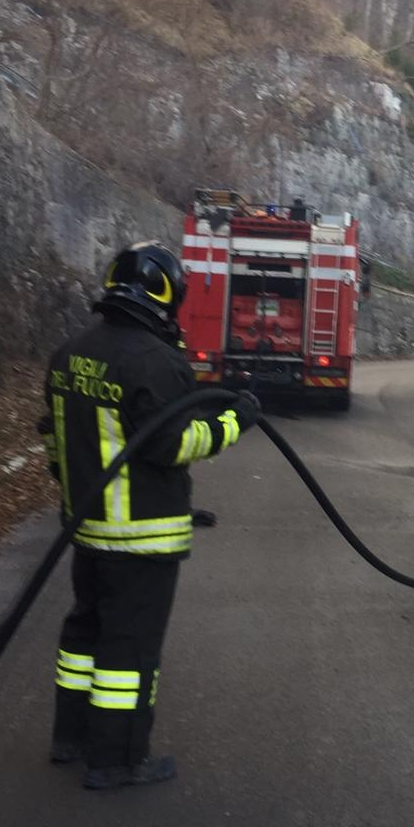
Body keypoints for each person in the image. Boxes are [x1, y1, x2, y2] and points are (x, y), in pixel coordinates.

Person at [38, 242, 262, 790]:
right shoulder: (156, 362)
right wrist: (236, 422)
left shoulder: (70, 352)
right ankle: (117, 759)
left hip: (87, 529)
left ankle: (70, 737)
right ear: (166, 296)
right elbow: (174, 443)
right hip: (142, 540)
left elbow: (56, 443)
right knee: (128, 650)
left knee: (84, 633)